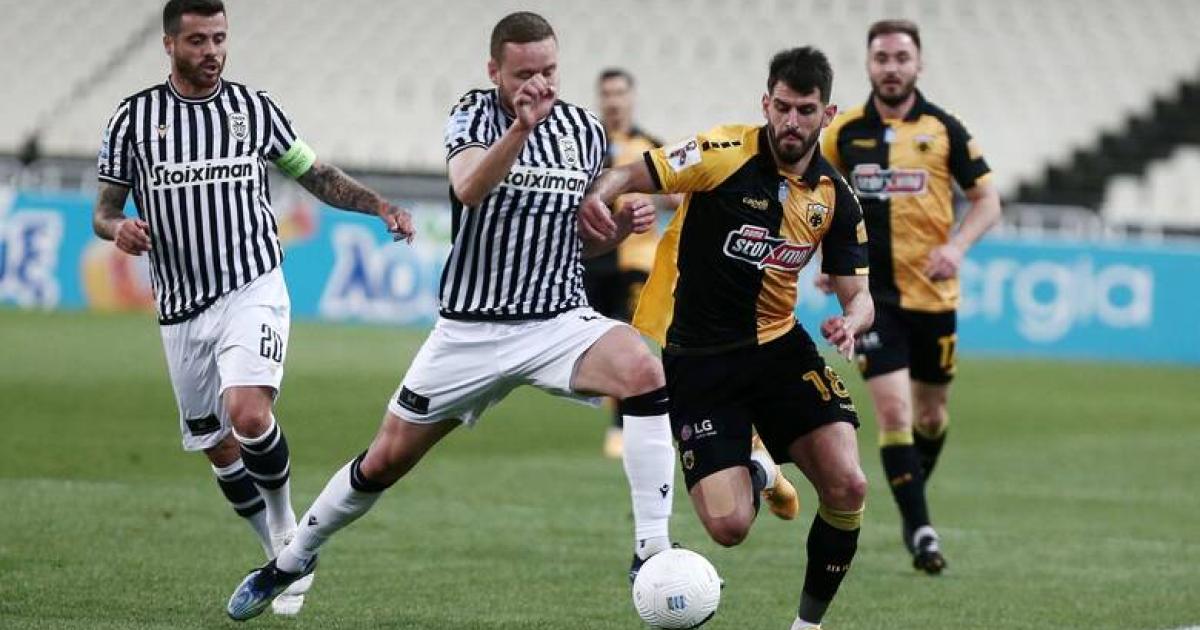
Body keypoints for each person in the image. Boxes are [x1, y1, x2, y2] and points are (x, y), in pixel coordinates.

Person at [225, 12, 677, 621]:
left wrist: (617, 229)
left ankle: (651, 551)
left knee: (644, 371)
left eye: (548, 70)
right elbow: (468, 187)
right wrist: (521, 128)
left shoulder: (583, 130)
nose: (539, 84)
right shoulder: (472, 114)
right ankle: (292, 559)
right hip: (471, 331)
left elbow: (575, 240)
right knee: (384, 460)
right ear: (495, 70)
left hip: (556, 320)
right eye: (524, 74)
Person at [92, 0, 414, 616]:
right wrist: (118, 229)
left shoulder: (253, 109)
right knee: (217, 446)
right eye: (197, 41)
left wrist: (380, 206)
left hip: (252, 285)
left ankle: (287, 530)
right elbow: (104, 211)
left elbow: (315, 174)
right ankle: (276, 550)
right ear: (169, 44)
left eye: (219, 38)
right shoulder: (133, 120)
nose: (212, 51)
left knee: (247, 411)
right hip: (181, 307)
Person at [579, 46, 873, 630]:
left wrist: (853, 321)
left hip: (780, 350)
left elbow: (858, 295)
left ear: (828, 114)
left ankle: (807, 627)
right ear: (766, 104)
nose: (792, 121)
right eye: (782, 107)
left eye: (805, 110)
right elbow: (631, 172)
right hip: (699, 361)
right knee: (729, 528)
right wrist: (598, 195)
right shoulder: (721, 152)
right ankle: (762, 469)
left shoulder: (835, 196)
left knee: (848, 485)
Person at [818, 19, 1001, 574]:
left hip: (934, 298)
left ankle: (909, 493)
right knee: (894, 411)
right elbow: (817, 196)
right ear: (868, 65)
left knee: (931, 414)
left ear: (918, 64)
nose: (891, 68)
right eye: (882, 58)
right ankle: (921, 532)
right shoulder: (844, 132)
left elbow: (988, 200)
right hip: (873, 298)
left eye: (901, 58)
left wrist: (958, 247)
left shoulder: (945, 129)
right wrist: (830, 259)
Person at [585, 68, 680, 459]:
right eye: (607, 93)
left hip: (636, 261)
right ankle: (623, 413)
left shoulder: (649, 146)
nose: (613, 100)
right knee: (598, 343)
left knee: (626, 338)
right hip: (592, 259)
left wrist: (662, 197)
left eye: (619, 93)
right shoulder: (586, 143)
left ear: (631, 97)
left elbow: (678, 193)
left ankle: (622, 425)